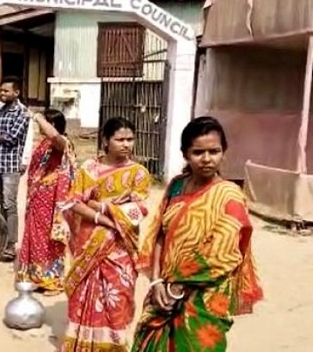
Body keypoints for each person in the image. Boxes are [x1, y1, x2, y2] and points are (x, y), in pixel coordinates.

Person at [132, 116, 263, 352]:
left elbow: (223, 255)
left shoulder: (229, 196)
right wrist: (157, 282)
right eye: (198, 152)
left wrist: (178, 287)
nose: (206, 159)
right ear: (185, 154)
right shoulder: (176, 186)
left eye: (214, 151)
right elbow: (161, 235)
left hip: (205, 298)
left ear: (224, 152)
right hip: (164, 290)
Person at [60, 117, 151, 352]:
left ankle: (114, 347)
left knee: (117, 297)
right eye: (119, 139)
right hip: (90, 241)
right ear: (106, 141)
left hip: (120, 246)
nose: (126, 144)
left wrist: (101, 206)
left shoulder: (138, 173)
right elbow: (73, 202)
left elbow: (137, 209)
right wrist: (103, 218)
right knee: (84, 294)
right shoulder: (89, 169)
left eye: (130, 139)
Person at [16, 108, 75, 295]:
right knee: (34, 238)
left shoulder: (62, 142)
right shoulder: (43, 144)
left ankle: (51, 280)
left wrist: (38, 117)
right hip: (37, 199)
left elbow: (54, 136)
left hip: (52, 202)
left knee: (48, 240)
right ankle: (34, 277)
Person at [0, 76, 31, 260]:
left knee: (10, 206)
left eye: (6, 91)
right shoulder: (0, 111)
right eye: (1, 90)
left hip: (10, 166)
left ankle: (11, 245)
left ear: (16, 93)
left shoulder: (22, 113)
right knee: (1, 204)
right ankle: (3, 241)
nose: (2, 94)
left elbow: (12, 138)